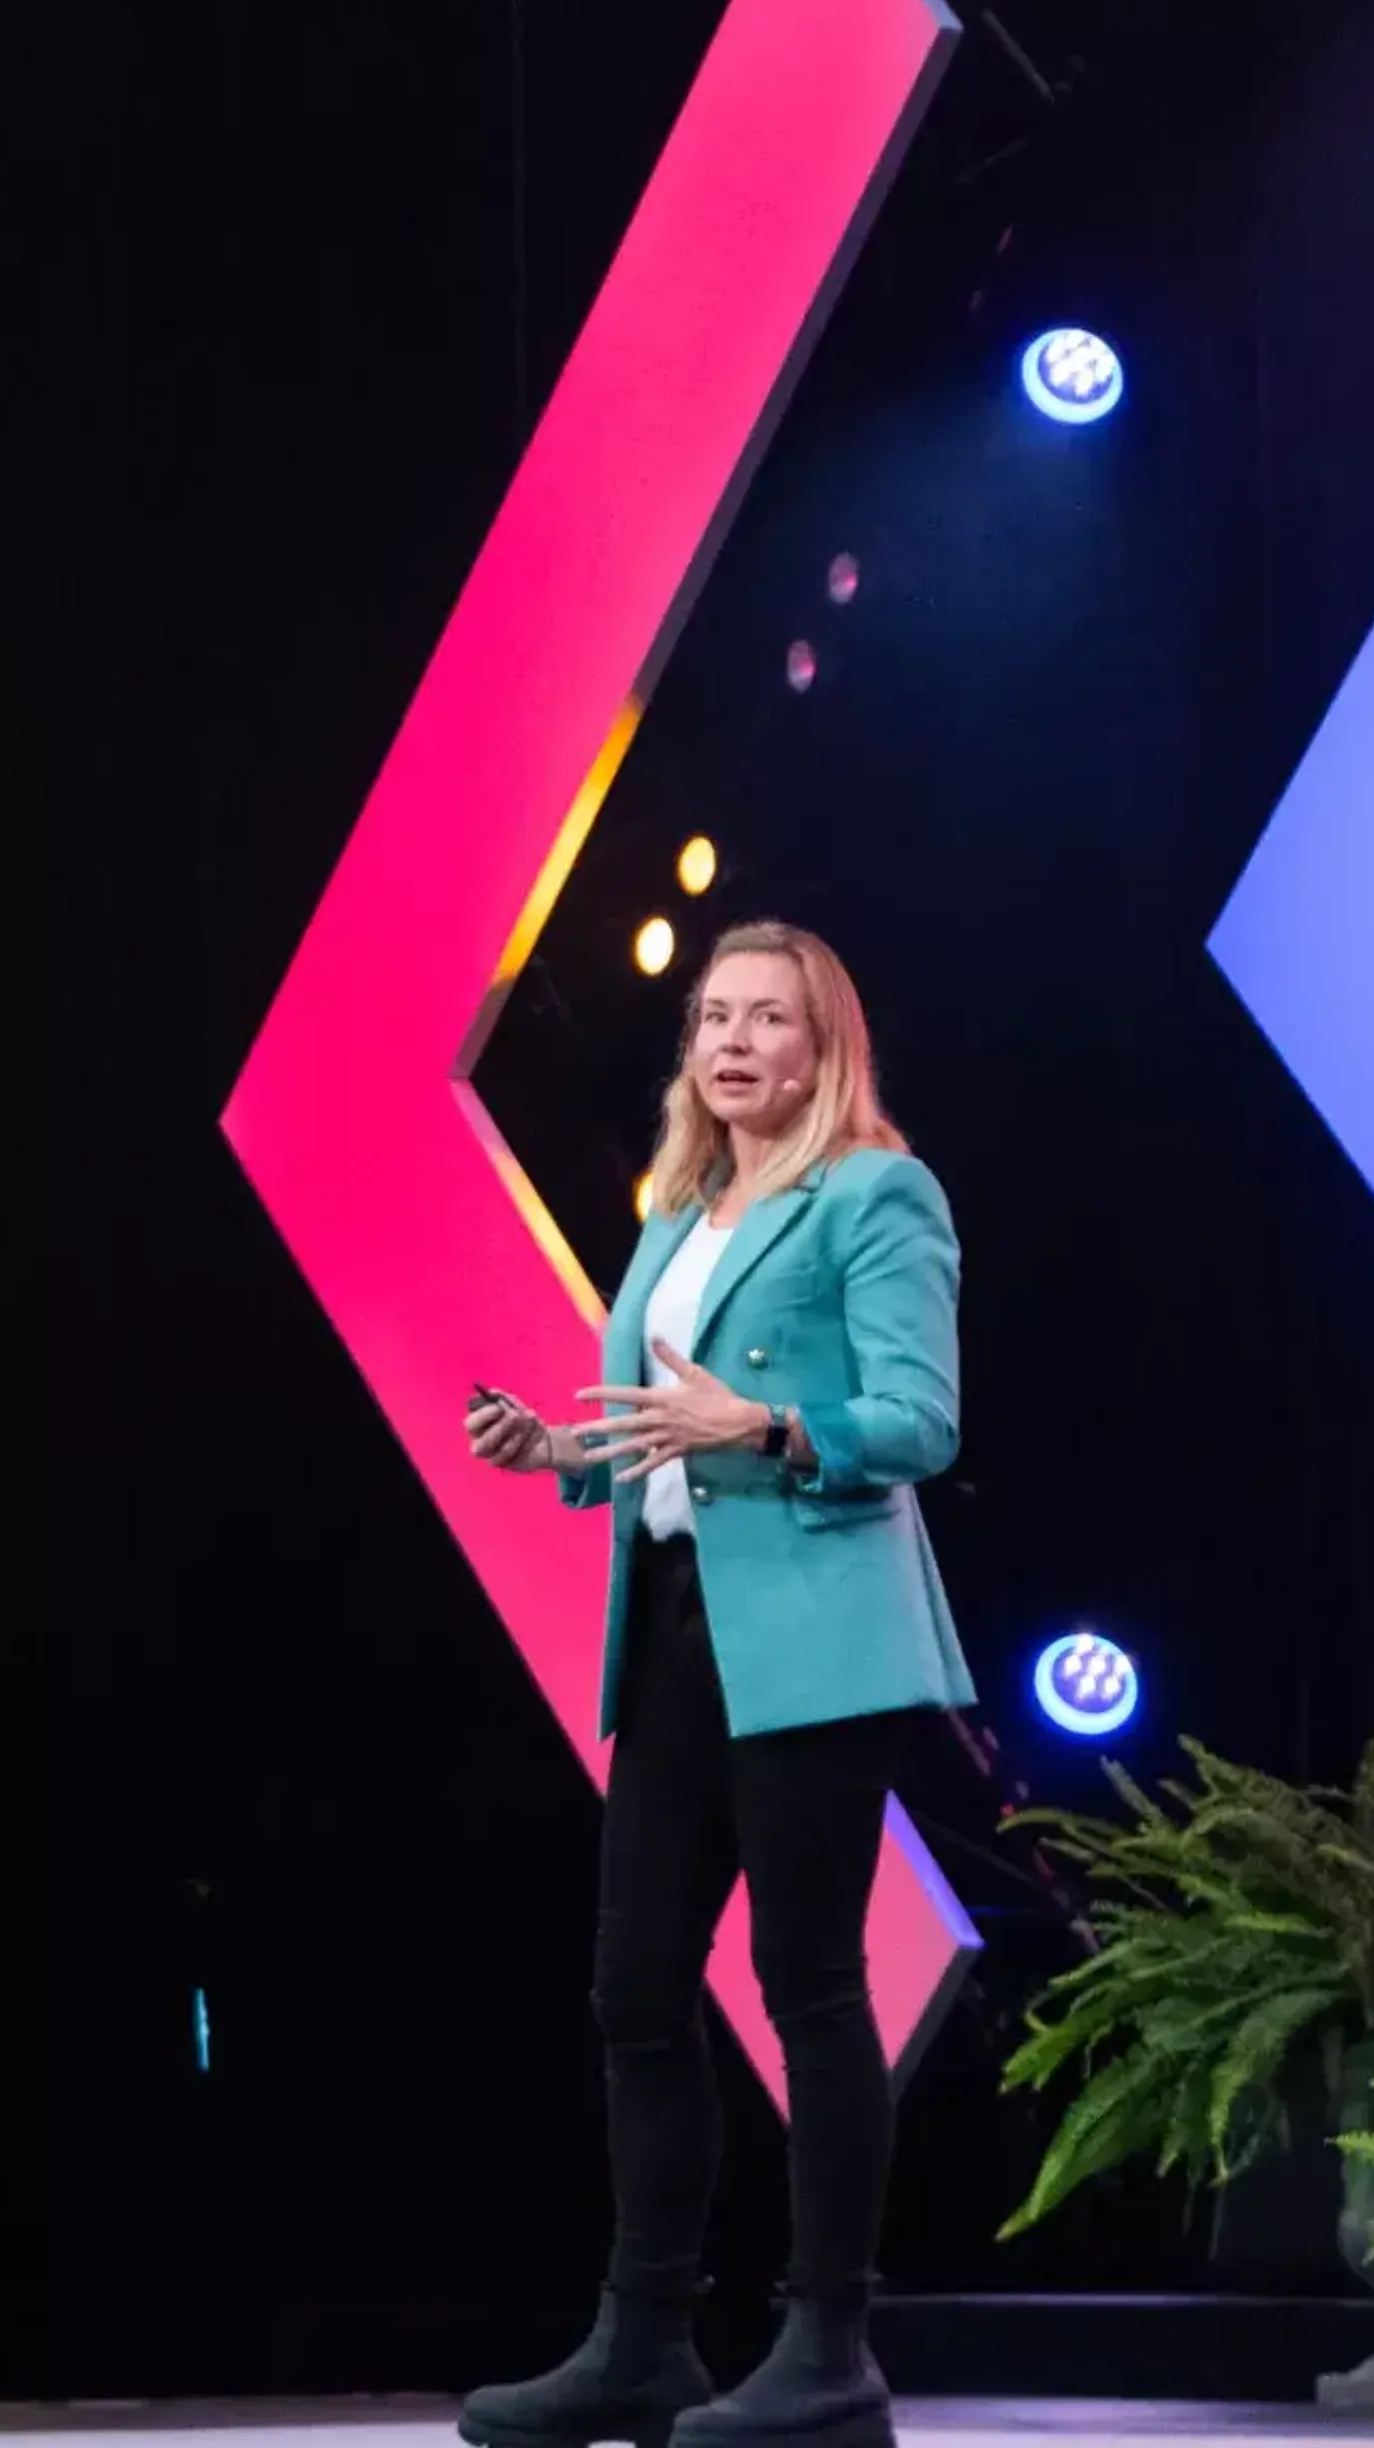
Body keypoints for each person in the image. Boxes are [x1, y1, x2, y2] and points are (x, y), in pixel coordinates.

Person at [456, 920, 976, 2448]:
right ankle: (645, 2340)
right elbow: (655, 1428)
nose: (734, 1042)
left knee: (810, 1986)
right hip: (678, 1623)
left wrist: (765, 1427)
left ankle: (830, 2350)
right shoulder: (679, 1211)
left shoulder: (878, 1194)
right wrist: (561, 1454)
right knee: (632, 1985)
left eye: (771, 1019)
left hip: (817, 1630)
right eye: (713, 1017)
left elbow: (920, 1421)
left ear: (825, 1051)